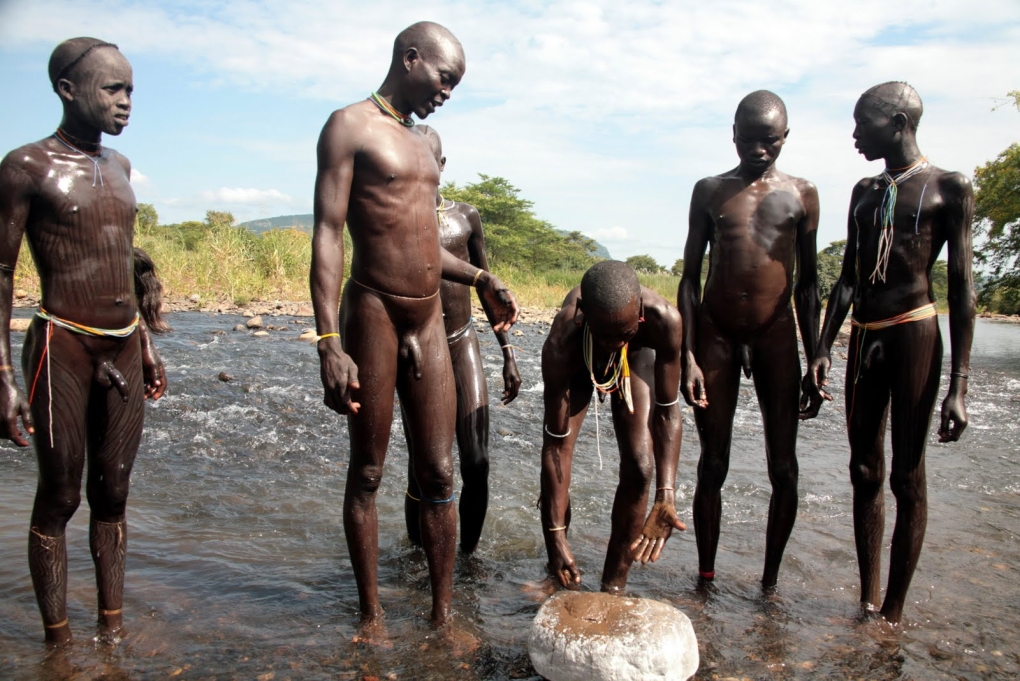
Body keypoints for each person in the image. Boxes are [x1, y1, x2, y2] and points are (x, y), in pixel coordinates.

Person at [310, 21, 518, 627]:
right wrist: (328, 342)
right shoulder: (348, 126)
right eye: (444, 78)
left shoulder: (424, 146)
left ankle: (442, 617)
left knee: (440, 470)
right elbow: (327, 234)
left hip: (428, 320)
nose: (447, 92)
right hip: (372, 311)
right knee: (369, 471)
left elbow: (423, 239)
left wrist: (482, 279)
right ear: (410, 59)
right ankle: (371, 616)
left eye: (454, 85)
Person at [0, 37, 168, 644]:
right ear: (67, 90)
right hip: (61, 343)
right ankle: (59, 645)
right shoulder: (27, 167)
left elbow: (120, 257)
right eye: (113, 89)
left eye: (131, 91)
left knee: (113, 491)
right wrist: (3, 378)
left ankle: (113, 632)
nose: (126, 103)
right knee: (62, 495)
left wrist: (146, 341)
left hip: (122, 343)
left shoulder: (120, 169)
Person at [803, 82, 975, 623]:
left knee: (907, 476)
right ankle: (867, 598)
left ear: (898, 123)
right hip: (865, 338)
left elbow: (964, 290)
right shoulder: (863, 191)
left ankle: (894, 613)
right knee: (862, 468)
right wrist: (823, 348)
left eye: (863, 124)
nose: (855, 135)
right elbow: (849, 278)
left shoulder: (950, 187)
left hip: (914, 335)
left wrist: (960, 386)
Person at [678, 90, 820, 589]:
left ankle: (769, 584)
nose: (759, 150)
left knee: (783, 466)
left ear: (785, 137)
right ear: (733, 135)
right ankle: (706, 576)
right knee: (713, 462)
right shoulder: (710, 190)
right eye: (750, 140)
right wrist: (688, 355)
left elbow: (808, 283)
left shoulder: (803, 194)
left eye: (770, 140)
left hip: (775, 336)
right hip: (715, 333)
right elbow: (690, 279)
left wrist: (817, 351)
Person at [401, 126, 521, 554]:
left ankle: (467, 557)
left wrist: (508, 353)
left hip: (461, 339)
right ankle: (419, 555)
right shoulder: (398, 218)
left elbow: (488, 291)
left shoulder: (465, 217)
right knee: (425, 466)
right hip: (420, 346)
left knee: (477, 462)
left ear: (442, 164)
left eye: (430, 160)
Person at [539, 260, 685, 592]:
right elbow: (555, 446)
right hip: (581, 358)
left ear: (641, 313)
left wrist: (667, 494)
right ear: (582, 313)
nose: (615, 343)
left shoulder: (664, 321)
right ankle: (557, 567)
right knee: (559, 461)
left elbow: (667, 412)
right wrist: (555, 537)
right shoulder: (562, 341)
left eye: (626, 332)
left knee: (641, 465)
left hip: (637, 361)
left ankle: (614, 586)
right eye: (608, 335)